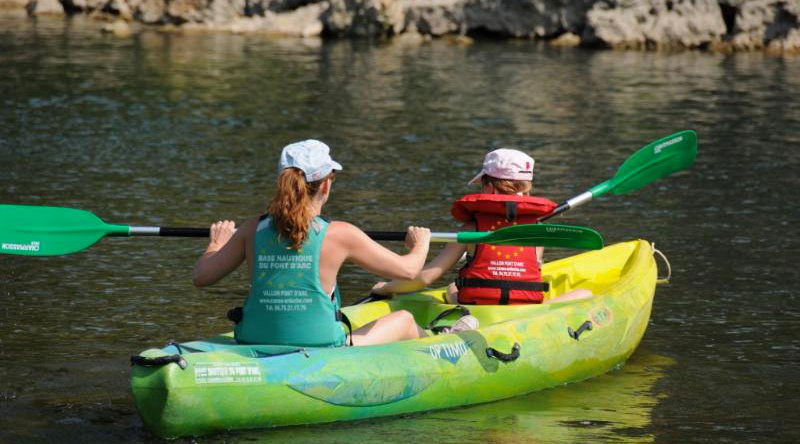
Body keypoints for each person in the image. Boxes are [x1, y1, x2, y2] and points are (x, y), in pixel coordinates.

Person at [192, 139, 431, 347]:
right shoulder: (341, 233)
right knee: (405, 320)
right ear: (325, 185)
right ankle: (441, 343)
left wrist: (216, 244)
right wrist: (420, 243)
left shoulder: (252, 228)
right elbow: (409, 270)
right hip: (321, 344)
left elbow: (201, 277)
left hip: (253, 338)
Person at [371, 148, 592, 306]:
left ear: (489, 187)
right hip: (525, 309)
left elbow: (425, 278)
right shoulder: (536, 230)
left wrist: (386, 287)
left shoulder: (471, 228)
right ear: (526, 189)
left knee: (452, 288)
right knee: (584, 294)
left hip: (479, 307)